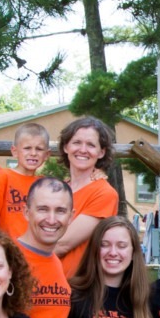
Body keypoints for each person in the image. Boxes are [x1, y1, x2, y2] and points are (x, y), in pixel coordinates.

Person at [15, 176, 75, 318]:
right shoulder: (8, 260)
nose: (51, 219)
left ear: (71, 216)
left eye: (60, 211)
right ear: (26, 211)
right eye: (43, 209)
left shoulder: (56, 263)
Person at [52, 116, 120, 273]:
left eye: (90, 145)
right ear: (65, 147)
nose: (82, 150)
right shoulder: (58, 190)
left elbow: (62, 244)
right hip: (47, 285)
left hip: (79, 288)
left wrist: (21, 265)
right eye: (76, 142)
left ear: (101, 152)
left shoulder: (104, 193)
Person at [0, 121, 52, 241]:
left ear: (47, 154)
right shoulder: (3, 177)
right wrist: (1, 244)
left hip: (37, 250)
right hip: (10, 251)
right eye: (27, 148)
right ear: (14, 151)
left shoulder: (45, 184)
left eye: (39, 149)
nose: (33, 153)